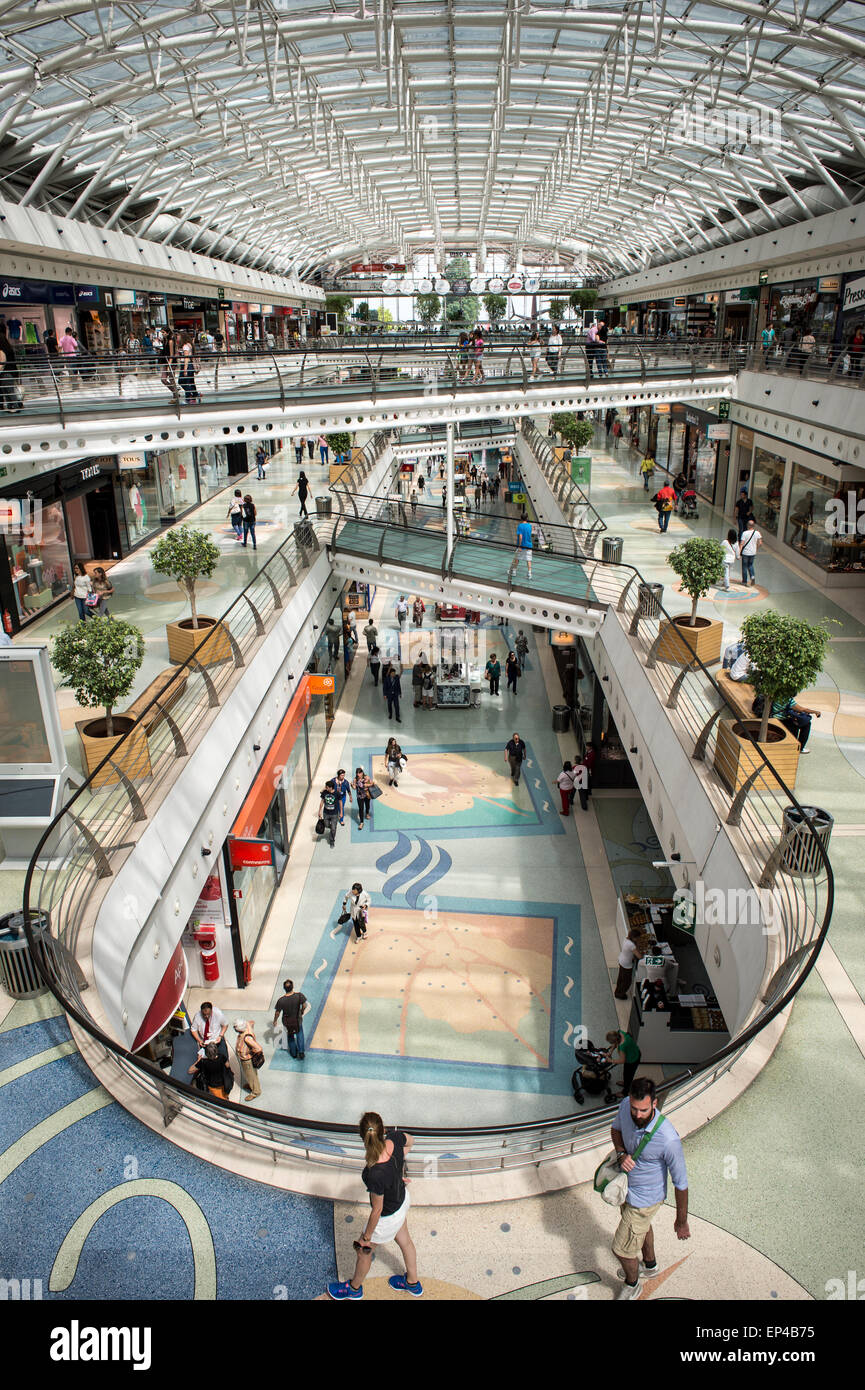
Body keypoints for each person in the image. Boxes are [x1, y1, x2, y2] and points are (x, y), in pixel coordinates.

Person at [327, 1112, 422, 1300]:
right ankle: (412, 1283)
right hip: (402, 1202)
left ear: (363, 1137)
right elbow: (411, 1141)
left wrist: (366, 1238)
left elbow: (377, 1210)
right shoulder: (395, 1139)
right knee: (405, 1241)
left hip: (386, 1217)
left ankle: (354, 1289)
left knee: (364, 1253)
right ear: (384, 1130)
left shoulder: (374, 1172)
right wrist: (396, 1172)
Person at [610, 1078, 689, 1299]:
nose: (637, 1115)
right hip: (627, 1189)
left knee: (621, 1250)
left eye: (643, 1110)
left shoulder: (668, 1139)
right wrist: (620, 1153)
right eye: (634, 1109)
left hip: (646, 1198)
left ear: (654, 1103)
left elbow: (681, 1183)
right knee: (641, 1229)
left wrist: (681, 1221)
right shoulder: (626, 1105)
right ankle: (650, 1265)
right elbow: (615, 1130)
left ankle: (633, 1284)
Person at [752, 693, 821, 753]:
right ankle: (800, 748)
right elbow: (802, 709)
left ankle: (795, 745)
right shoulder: (787, 699)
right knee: (806, 724)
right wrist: (815, 712)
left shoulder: (774, 695)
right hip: (780, 720)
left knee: (794, 724)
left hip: (771, 717)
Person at [272, 979, 309, 1060]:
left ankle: (294, 1053)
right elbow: (304, 1005)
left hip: (287, 1022)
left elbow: (277, 1012)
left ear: (284, 988)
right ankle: (301, 1052)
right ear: (293, 987)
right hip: (297, 1020)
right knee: (300, 1035)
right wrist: (302, 1011)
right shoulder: (299, 996)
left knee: (290, 1037)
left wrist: (275, 1020)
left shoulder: (281, 1000)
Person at [233, 1018, 263, 1101]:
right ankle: (251, 1085)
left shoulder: (246, 1038)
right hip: (245, 1060)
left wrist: (249, 1053)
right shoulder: (247, 1028)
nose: (234, 1028)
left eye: (235, 1027)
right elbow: (251, 1022)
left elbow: (259, 1048)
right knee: (251, 1074)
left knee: (251, 1076)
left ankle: (255, 1092)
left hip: (247, 1060)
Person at [606, 1028, 642, 1097]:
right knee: (626, 1073)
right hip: (633, 1052)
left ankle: (625, 1092)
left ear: (616, 1041)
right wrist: (610, 1051)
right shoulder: (619, 1032)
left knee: (628, 1076)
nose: (612, 1044)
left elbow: (622, 1060)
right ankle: (625, 1083)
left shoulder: (623, 1046)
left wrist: (610, 1061)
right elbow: (614, 1044)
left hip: (633, 1060)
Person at [614, 928, 648, 999]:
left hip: (621, 960)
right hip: (627, 964)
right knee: (627, 981)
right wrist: (643, 953)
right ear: (634, 938)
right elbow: (639, 956)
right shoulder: (631, 945)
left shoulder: (626, 939)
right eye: (638, 938)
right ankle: (620, 994)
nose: (639, 939)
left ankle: (618, 991)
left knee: (621, 978)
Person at [739, 518, 762, 586]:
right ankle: (752, 576)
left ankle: (744, 581)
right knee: (750, 565)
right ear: (753, 526)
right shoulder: (757, 533)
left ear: (748, 525)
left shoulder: (744, 533)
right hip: (753, 552)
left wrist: (738, 553)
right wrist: (756, 549)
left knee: (744, 567)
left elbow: (741, 544)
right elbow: (760, 543)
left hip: (745, 553)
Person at [319, 779, 340, 848]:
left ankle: (332, 841)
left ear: (331, 787)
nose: (326, 788)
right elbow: (322, 801)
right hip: (326, 813)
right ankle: (333, 827)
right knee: (327, 825)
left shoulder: (337, 793)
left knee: (333, 829)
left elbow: (340, 803)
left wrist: (341, 812)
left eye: (327, 787)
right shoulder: (324, 792)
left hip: (334, 814)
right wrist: (319, 811)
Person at [513, 514, 533, 579]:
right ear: (527, 518)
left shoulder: (520, 526)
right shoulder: (530, 526)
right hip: (529, 545)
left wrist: (519, 546)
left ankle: (514, 571)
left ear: (521, 519)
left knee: (517, 558)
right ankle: (529, 573)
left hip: (522, 545)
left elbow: (520, 537)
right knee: (528, 560)